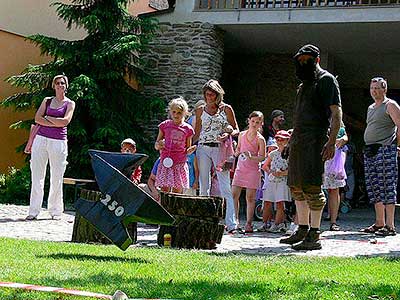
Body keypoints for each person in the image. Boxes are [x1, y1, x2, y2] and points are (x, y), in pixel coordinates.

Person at [280, 44, 342, 250]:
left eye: (306, 59)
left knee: (312, 186)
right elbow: (299, 119)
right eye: (300, 60)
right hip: (298, 140)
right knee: (296, 186)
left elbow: (336, 113)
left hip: (315, 140)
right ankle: (302, 228)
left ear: (316, 60)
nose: (303, 63)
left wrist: (331, 142)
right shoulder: (303, 85)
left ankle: (314, 234)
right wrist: (290, 142)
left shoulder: (326, 80)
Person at [26, 74, 76, 220]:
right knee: (37, 176)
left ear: (66, 86)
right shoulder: (47, 101)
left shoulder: (70, 104)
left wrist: (47, 119)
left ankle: (55, 211)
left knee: (57, 176)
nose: (60, 85)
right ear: (53, 86)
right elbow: (37, 118)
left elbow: (65, 122)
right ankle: (33, 211)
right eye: (58, 83)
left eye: (63, 83)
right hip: (40, 140)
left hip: (58, 142)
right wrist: (54, 121)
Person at [194, 79, 240, 234]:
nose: (209, 97)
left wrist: (227, 133)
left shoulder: (226, 109)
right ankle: (204, 219)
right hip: (203, 148)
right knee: (204, 185)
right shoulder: (200, 110)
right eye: (207, 95)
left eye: (212, 95)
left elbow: (236, 129)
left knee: (225, 186)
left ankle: (231, 223)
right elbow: (196, 132)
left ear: (218, 94)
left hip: (221, 149)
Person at [361, 77, 400, 236]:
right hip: (370, 150)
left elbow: (399, 124)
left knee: (387, 186)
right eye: (372, 88)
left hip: (385, 150)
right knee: (374, 187)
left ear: (384, 89)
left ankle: (390, 226)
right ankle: (379, 223)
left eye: (377, 88)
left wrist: (398, 145)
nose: (374, 91)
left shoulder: (390, 105)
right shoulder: (370, 107)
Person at [232, 111, 266, 233]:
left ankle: (249, 223)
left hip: (252, 170)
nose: (254, 124)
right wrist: (230, 156)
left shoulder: (260, 139)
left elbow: (262, 157)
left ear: (261, 124)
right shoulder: (241, 134)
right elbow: (238, 150)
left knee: (250, 198)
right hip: (240, 169)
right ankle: (234, 221)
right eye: (253, 121)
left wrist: (251, 157)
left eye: (257, 122)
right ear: (249, 121)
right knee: (234, 195)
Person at [155, 97, 196, 194]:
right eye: (173, 112)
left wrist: (190, 151)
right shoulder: (165, 125)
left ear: (184, 113)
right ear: (170, 111)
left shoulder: (188, 129)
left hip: (179, 163)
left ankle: (175, 209)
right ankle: (163, 207)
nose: (176, 115)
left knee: (177, 190)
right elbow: (157, 143)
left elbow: (187, 148)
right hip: (166, 162)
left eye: (179, 113)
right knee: (164, 189)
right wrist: (159, 145)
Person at [262, 130, 291, 233]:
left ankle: (277, 224)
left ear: (287, 140)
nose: (279, 141)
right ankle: (265, 223)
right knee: (267, 202)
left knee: (280, 203)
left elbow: (292, 170)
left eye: (282, 139)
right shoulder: (273, 154)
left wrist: (283, 173)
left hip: (282, 181)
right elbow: (265, 166)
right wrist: (271, 172)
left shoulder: (289, 154)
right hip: (272, 181)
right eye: (277, 139)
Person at [322, 126, 348, 231]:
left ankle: (333, 221)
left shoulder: (339, 125)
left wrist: (343, 139)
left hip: (334, 161)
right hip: (320, 158)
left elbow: (345, 137)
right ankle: (311, 222)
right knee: (314, 190)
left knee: (334, 190)